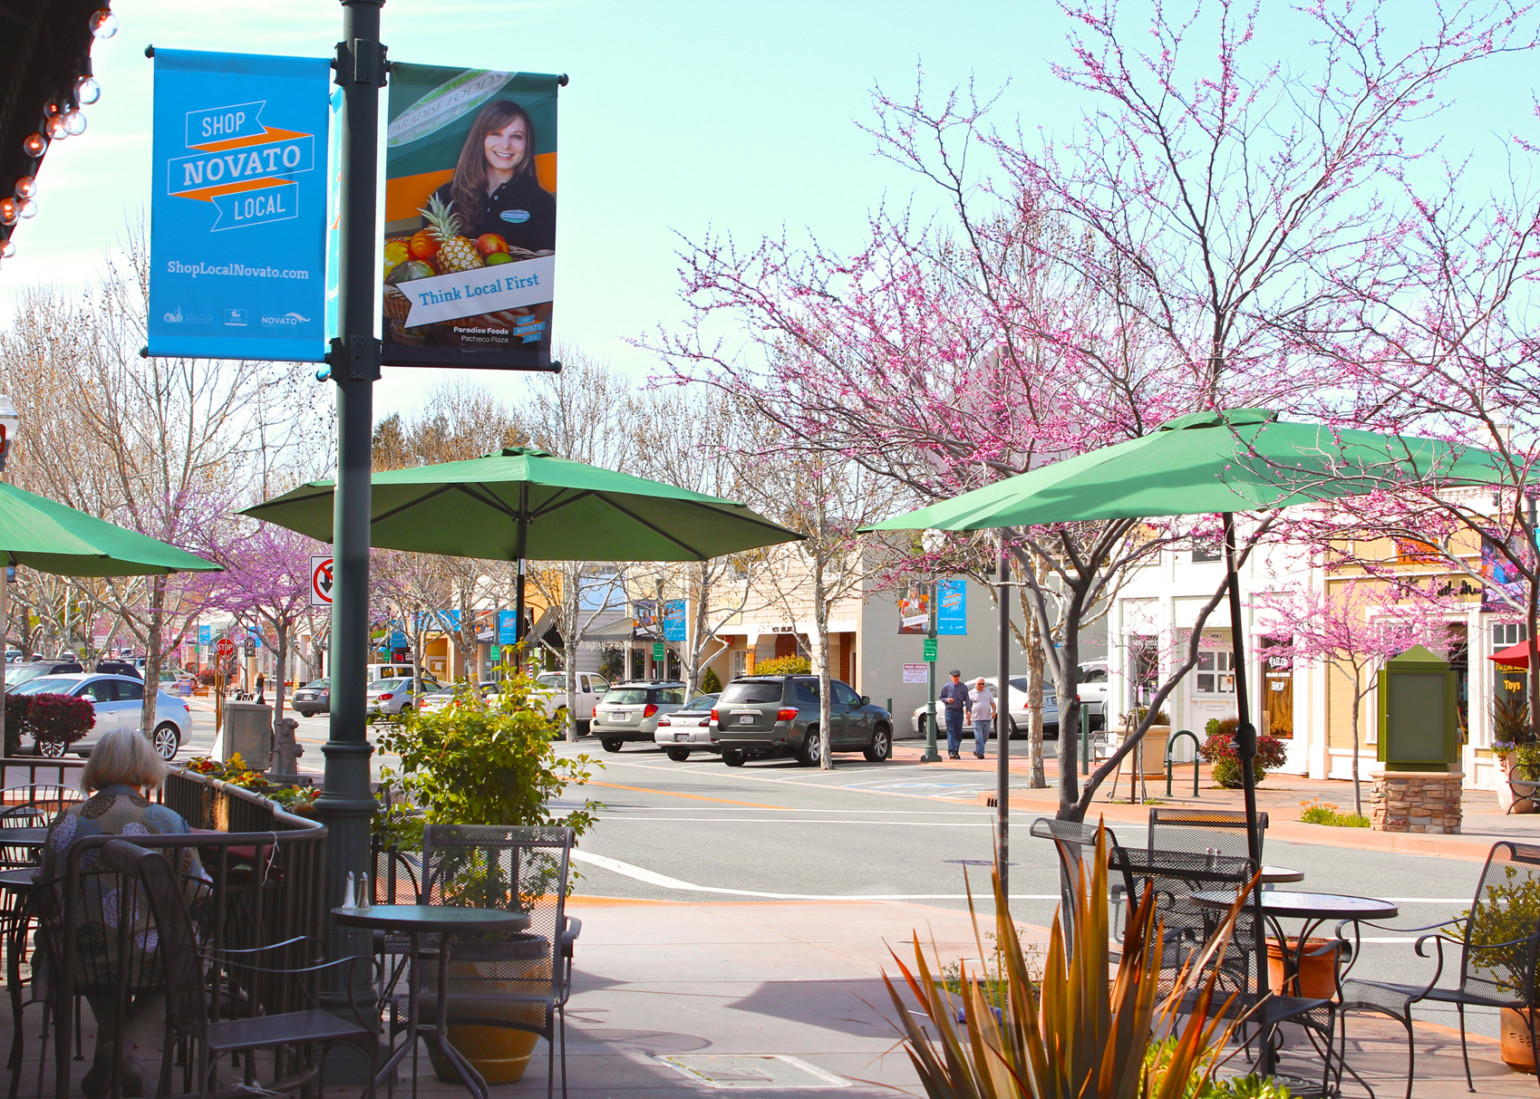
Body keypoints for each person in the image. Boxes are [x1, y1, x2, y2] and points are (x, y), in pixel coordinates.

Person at [36, 727, 208, 1098]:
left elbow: (45, 887)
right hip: (152, 958)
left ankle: (112, 1059)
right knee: (192, 956)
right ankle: (124, 1053)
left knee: (98, 961)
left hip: (80, 955)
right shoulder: (166, 821)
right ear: (146, 767)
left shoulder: (67, 821)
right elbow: (196, 892)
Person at [429, 98, 555, 255]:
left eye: (516, 136)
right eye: (496, 133)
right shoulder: (442, 199)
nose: (506, 145)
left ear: (527, 144)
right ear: (480, 139)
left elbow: (545, 272)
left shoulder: (541, 203)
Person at [937, 669, 970, 760]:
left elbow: (967, 700)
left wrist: (969, 711)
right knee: (951, 731)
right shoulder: (947, 687)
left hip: (959, 711)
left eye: (958, 676)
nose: (956, 678)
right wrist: (947, 700)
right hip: (949, 711)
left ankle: (956, 751)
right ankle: (951, 751)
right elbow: (941, 697)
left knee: (958, 732)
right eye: (954, 677)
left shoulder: (963, 687)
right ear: (951, 677)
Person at [968, 677, 996, 760]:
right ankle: (980, 753)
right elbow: (968, 706)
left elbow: (992, 703)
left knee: (985, 736)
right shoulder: (971, 693)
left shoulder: (987, 692)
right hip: (976, 719)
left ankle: (976, 750)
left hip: (987, 718)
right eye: (979, 684)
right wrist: (968, 716)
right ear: (975, 685)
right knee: (979, 736)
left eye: (982, 684)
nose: (981, 685)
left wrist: (994, 711)